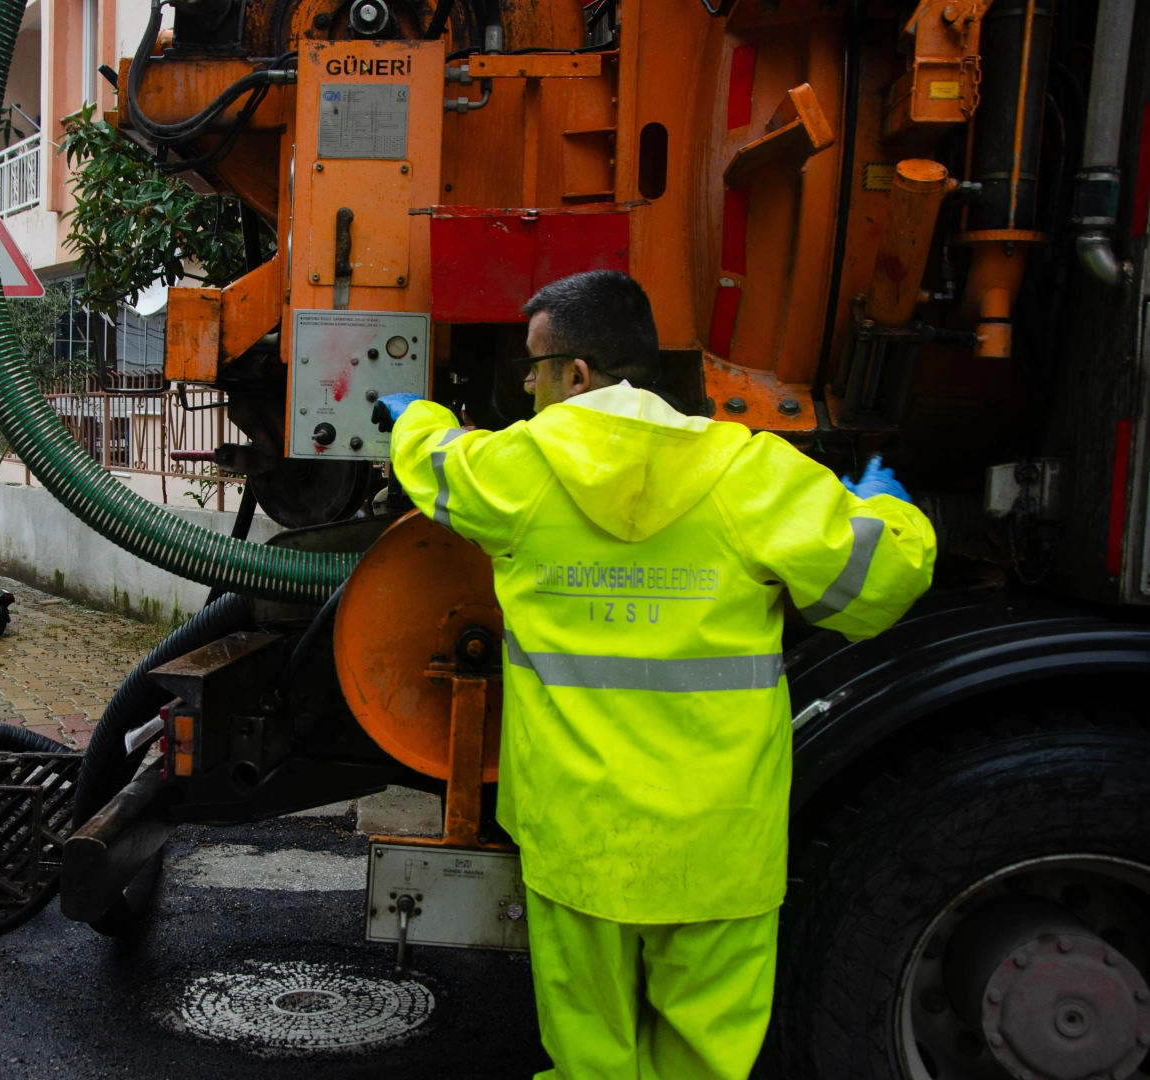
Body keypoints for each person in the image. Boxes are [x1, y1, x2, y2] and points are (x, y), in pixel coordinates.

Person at [378, 270, 935, 1079]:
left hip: (580, 841)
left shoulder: (517, 472)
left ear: (574, 375)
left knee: (591, 1061)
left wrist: (413, 414)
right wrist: (891, 511)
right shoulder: (750, 472)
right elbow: (878, 585)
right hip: (719, 849)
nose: (528, 388)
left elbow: (433, 460)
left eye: (532, 371)